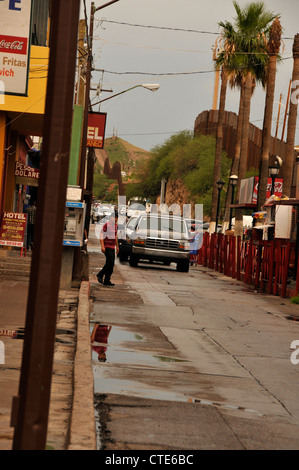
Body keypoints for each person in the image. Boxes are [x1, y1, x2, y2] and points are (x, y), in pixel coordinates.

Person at [97, 211, 119, 286]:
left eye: (117, 218)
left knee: (111, 264)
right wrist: (102, 246)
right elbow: (101, 235)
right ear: (111, 218)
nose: (116, 219)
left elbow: (116, 236)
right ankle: (100, 274)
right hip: (107, 246)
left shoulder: (116, 226)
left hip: (112, 247)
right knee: (109, 262)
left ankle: (107, 280)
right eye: (114, 217)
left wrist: (117, 246)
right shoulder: (106, 225)